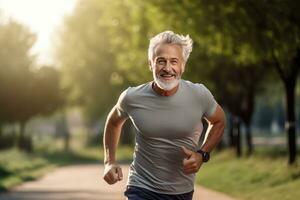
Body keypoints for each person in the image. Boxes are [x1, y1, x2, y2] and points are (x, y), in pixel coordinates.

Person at [103, 30, 226, 200]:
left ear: (182, 65)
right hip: (141, 187)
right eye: (161, 61)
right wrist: (109, 162)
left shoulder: (199, 95)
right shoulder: (132, 97)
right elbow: (113, 122)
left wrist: (202, 154)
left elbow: (219, 121)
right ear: (150, 64)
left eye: (174, 61)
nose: (167, 68)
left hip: (181, 192)